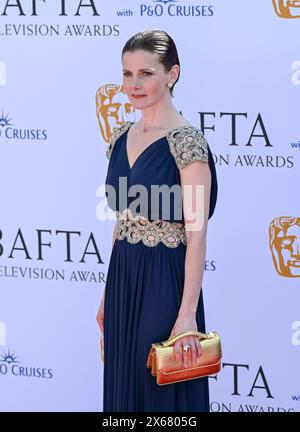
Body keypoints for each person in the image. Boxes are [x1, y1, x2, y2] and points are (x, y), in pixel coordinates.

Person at [96, 29, 218, 412]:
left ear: (172, 74)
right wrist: (105, 296)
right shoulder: (120, 137)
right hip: (123, 277)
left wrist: (186, 316)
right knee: (125, 389)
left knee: (158, 395)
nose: (134, 84)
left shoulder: (187, 144)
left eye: (146, 73)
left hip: (166, 281)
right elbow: (122, 223)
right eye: (127, 73)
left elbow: (196, 237)